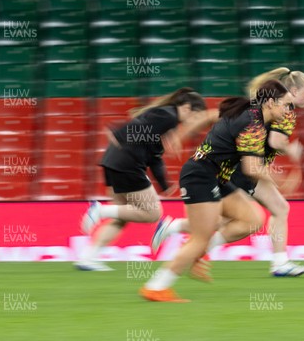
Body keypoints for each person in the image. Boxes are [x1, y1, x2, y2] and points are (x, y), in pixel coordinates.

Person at [140, 80, 294, 302]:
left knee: (252, 219)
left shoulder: (250, 114)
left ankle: (195, 250)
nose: (289, 111)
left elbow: (211, 120)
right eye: (286, 105)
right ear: (270, 103)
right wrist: (280, 179)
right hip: (200, 177)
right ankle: (156, 287)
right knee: (200, 238)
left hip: (215, 177)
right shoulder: (254, 124)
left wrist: (182, 134)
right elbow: (250, 168)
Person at [75, 88, 216, 271]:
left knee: (120, 217)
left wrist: (165, 185)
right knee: (152, 213)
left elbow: (154, 157)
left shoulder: (166, 120)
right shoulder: (169, 116)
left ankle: (88, 258)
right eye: (196, 117)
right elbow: (138, 130)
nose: (195, 123)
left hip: (112, 163)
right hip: (128, 165)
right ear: (187, 108)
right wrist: (119, 133)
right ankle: (99, 211)